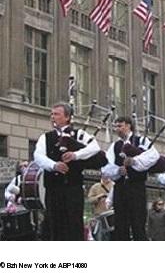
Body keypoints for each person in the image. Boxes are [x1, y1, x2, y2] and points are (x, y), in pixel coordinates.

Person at [34, 103, 103, 240]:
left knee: (74, 225)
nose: (53, 117)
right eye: (52, 114)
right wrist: (54, 165)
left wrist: (75, 155)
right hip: (53, 189)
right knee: (54, 224)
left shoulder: (79, 134)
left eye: (57, 114)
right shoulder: (45, 137)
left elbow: (94, 147)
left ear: (67, 117)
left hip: (73, 188)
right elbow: (38, 156)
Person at [101, 116, 159, 241]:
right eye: (116, 126)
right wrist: (118, 170)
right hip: (120, 188)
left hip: (136, 187)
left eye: (120, 126)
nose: (117, 129)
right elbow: (106, 166)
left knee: (138, 223)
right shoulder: (115, 146)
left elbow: (153, 157)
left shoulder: (141, 141)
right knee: (120, 224)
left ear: (128, 126)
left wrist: (134, 161)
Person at [87, 173, 114, 241]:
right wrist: (98, 197)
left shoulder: (113, 185)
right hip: (99, 217)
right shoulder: (95, 187)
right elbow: (90, 200)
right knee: (100, 237)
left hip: (111, 216)